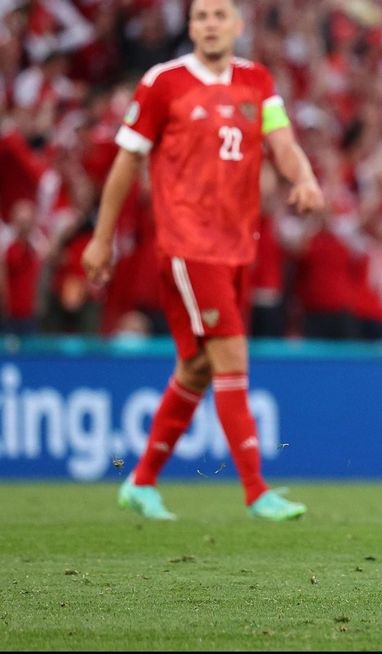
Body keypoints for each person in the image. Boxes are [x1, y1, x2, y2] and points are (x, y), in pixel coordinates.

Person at [81, 0, 324, 521]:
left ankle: (140, 483)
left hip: (239, 247)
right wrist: (102, 238)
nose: (210, 24)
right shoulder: (162, 82)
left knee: (195, 366)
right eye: (201, 16)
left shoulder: (258, 80)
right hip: (188, 247)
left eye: (219, 15)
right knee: (231, 357)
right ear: (190, 27)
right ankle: (257, 491)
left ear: (238, 25)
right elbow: (128, 161)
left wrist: (302, 178)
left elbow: (282, 142)